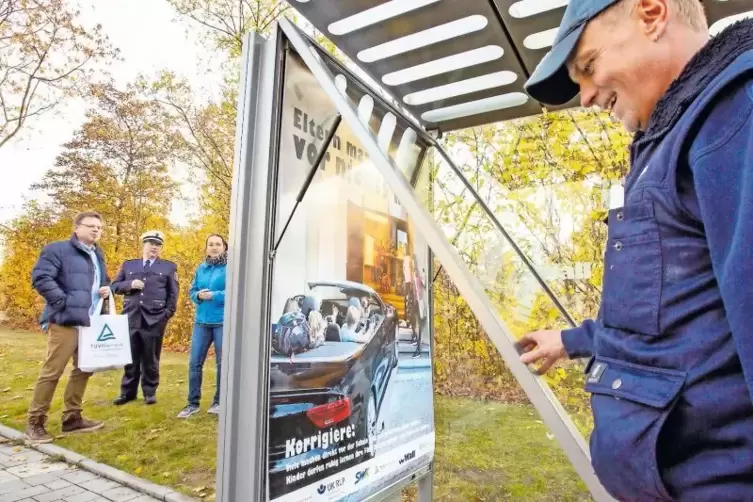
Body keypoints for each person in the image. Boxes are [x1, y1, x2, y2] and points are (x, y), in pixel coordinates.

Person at [519, 0, 753, 499]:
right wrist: (571, 340)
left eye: (587, 67)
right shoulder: (669, 137)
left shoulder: (735, 113)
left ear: (652, 13)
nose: (583, 98)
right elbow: (667, 321)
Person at [25, 211, 111, 443]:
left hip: (90, 321)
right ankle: (35, 422)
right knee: (52, 371)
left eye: (99, 227)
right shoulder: (57, 249)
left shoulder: (97, 253)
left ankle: (72, 419)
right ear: (76, 228)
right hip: (65, 321)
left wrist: (105, 288)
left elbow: (102, 281)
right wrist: (63, 302)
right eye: (91, 226)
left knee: (84, 368)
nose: (96, 230)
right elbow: (41, 278)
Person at [111, 230, 178, 406]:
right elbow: (115, 286)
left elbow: (173, 294)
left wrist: (166, 314)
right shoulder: (129, 265)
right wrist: (129, 284)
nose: (154, 247)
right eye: (151, 244)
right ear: (144, 245)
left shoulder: (168, 267)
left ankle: (149, 392)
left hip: (155, 319)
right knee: (130, 357)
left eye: (157, 245)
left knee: (151, 357)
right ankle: (127, 393)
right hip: (131, 317)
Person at [177, 234, 228, 418]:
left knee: (223, 364)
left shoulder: (230, 268)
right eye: (211, 244)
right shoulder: (201, 268)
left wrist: (214, 295)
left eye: (218, 244)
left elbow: (233, 291)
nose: (214, 247)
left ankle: (219, 402)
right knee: (194, 363)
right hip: (201, 322)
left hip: (222, 322)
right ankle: (192, 404)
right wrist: (198, 296)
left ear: (224, 247)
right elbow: (192, 291)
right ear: (206, 248)